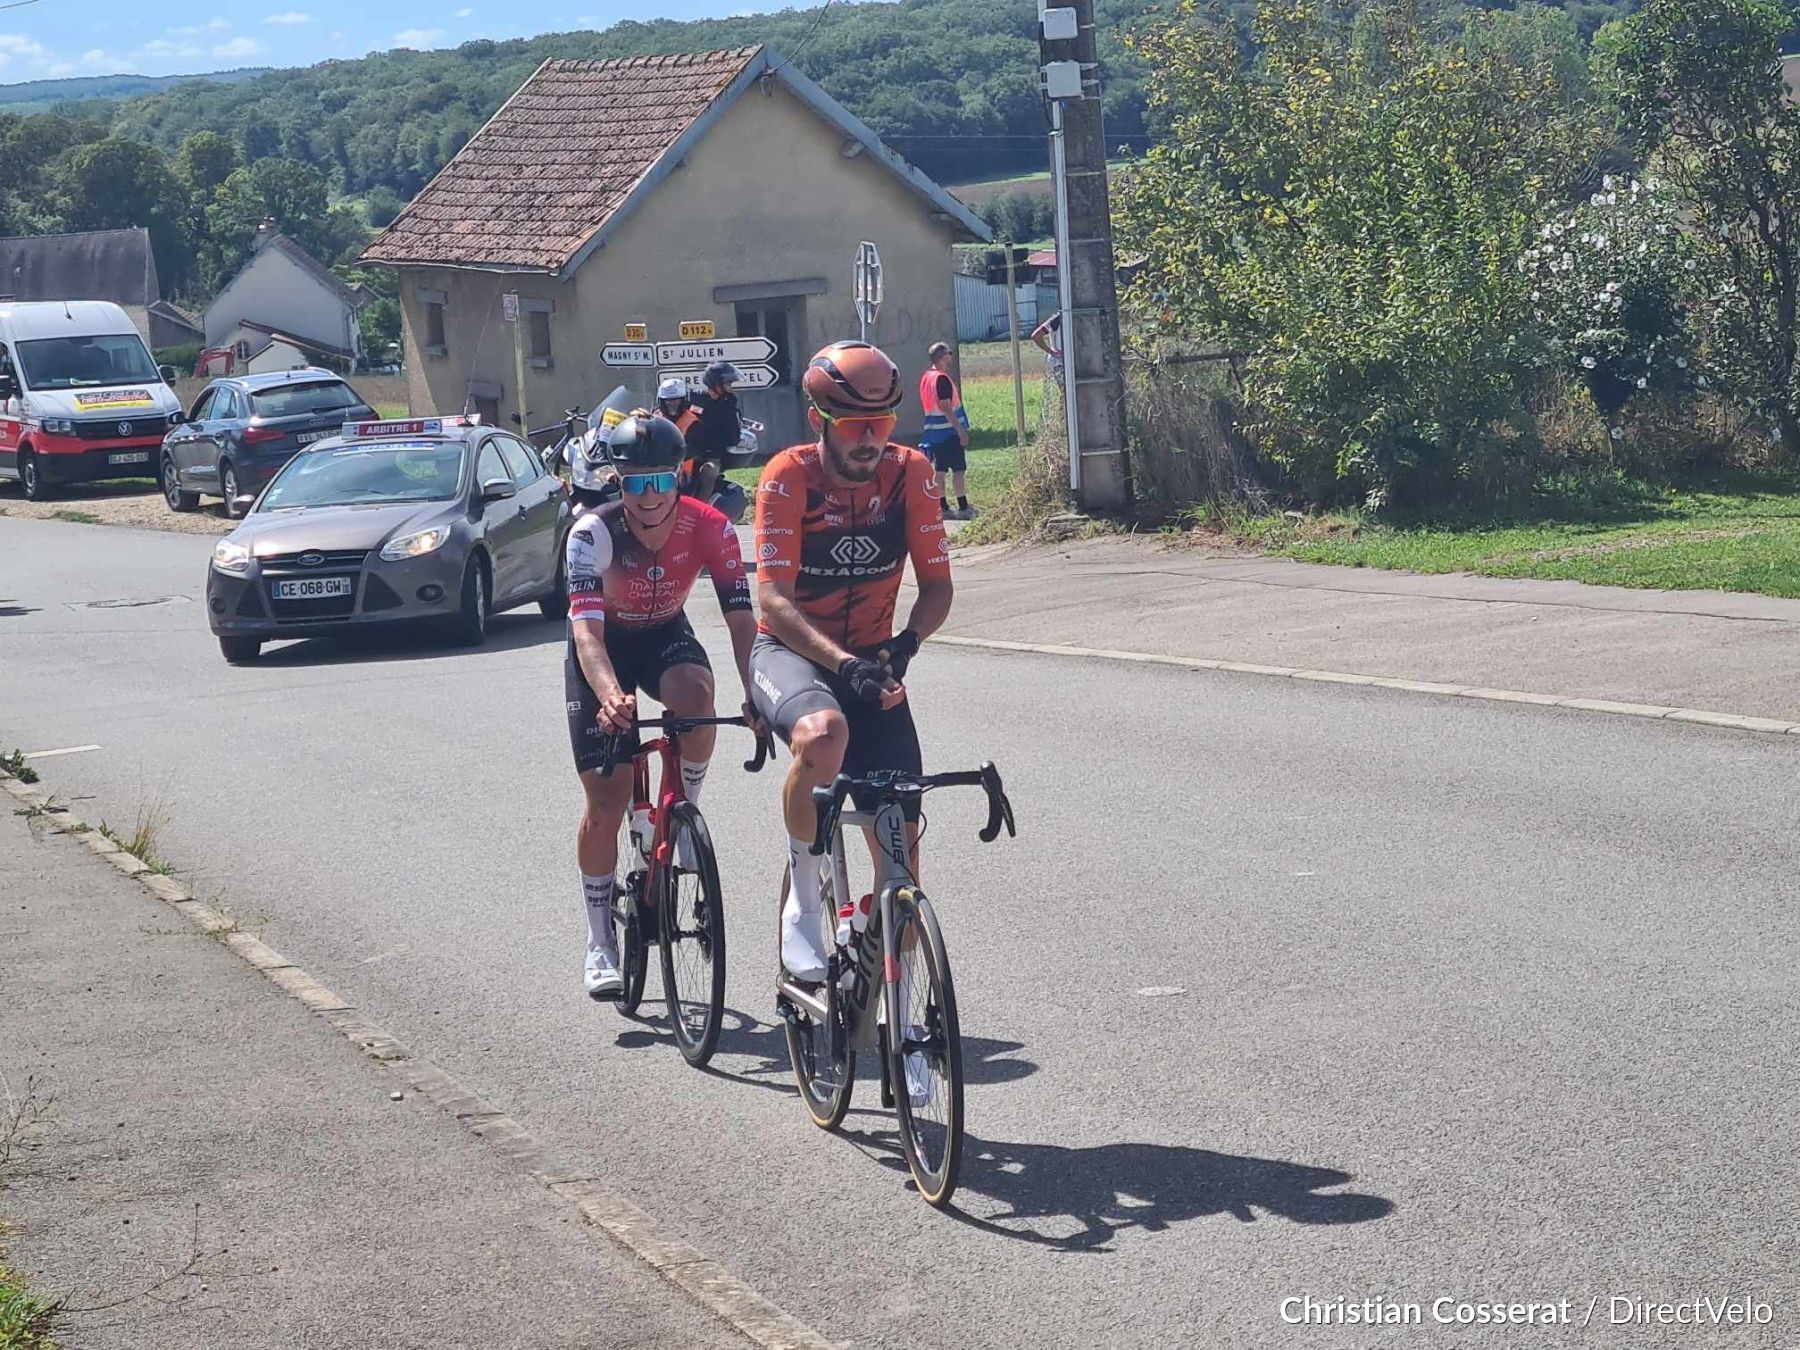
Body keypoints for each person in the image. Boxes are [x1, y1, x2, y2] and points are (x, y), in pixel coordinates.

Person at [749, 340, 953, 977]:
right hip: (791, 653)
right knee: (824, 735)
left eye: (882, 423)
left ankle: (894, 1000)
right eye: (853, 425)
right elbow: (774, 600)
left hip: (872, 662)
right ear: (819, 419)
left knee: (902, 866)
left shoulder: (911, 473)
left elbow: (938, 587)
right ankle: (804, 902)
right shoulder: (788, 475)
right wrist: (844, 664)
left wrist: (907, 642)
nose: (869, 439)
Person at [565, 413, 758, 999]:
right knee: (607, 800)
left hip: (664, 634)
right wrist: (609, 696)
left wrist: (756, 693)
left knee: (697, 698)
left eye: (660, 482)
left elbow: (741, 620)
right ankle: (600, 941)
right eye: (634, 483)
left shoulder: (712, 527)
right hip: (605, 650)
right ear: (616, 482)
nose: (648, 497)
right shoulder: (591, 534)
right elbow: (587, 634)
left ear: (679, 478)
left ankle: (684, 814)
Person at [918, 340, 975, 520]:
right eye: (949, 353)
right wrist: (960, 430)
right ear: (942, 357)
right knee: (958, 470)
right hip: (948, 431)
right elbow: (945, 406)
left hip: (934, 433)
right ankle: (963, 507)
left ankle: (942, 507)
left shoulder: (927, 377)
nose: (951, 356)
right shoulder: (941, 379)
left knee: (940, 470)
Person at [678, 361, 743, 505]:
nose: (730, 388)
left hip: (711, 455)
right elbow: (671, 412)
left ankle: (701, 507)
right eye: (728, 384)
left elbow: (733, 438)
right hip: (686, 451)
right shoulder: (693, 397)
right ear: (717, 384)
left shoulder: (728, 405)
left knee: (709, 472)